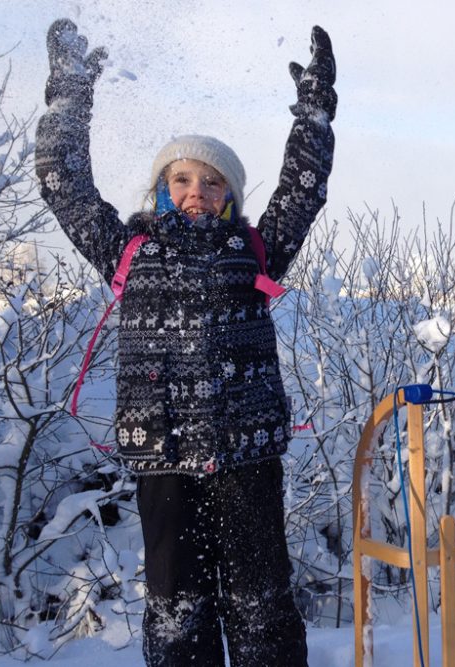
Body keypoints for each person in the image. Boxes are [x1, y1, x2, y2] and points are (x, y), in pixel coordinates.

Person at [35, 18, 336, 667]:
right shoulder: (129, 249)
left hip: (247, 454)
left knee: (260, 604)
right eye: (182, 179)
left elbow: (301, 193)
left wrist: (314, 115)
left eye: (212, 181)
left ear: (229, 194)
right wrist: (70, 93)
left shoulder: (253, 247)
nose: (196, 190)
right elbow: (64, 185)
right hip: (163, 459)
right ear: (163, 188)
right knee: (177, 609)